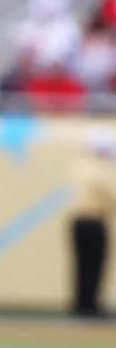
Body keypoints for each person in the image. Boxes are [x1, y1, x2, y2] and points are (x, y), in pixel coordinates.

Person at [68, 127, 116, 318]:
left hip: (79, 220)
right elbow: (110, 194)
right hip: (94, 220)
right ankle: (90, 305)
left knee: (82, 263)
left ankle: (83, 302)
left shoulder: (80, 166)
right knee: (94, 264)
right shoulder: (100, 169)